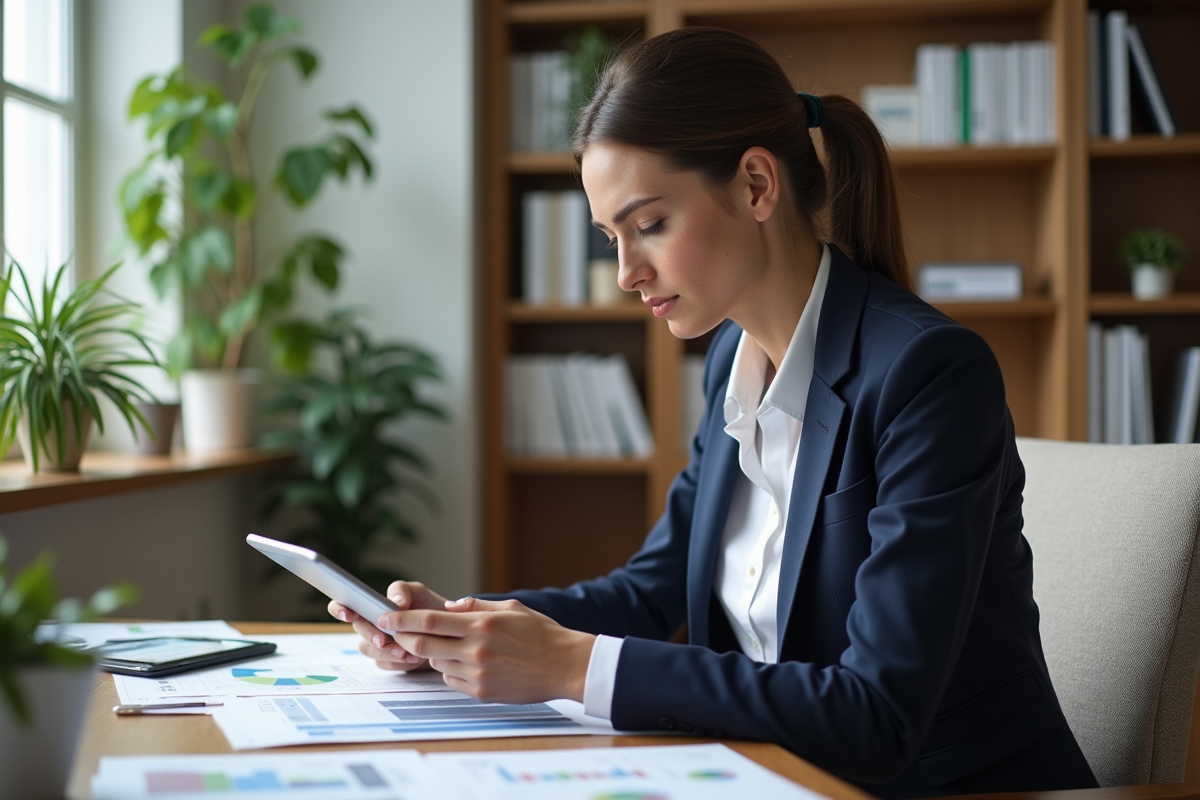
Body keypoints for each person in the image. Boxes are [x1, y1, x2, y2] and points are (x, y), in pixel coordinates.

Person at [329, 26, 1098, 797]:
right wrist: (464, 628)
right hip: (772, 775)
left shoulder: (927, 375)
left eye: (649, 225)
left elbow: (877, 715)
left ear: (757, 186)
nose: (627, 272)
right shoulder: (732, 360)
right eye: (610, 238)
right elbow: (651, 591)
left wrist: (570, 663)